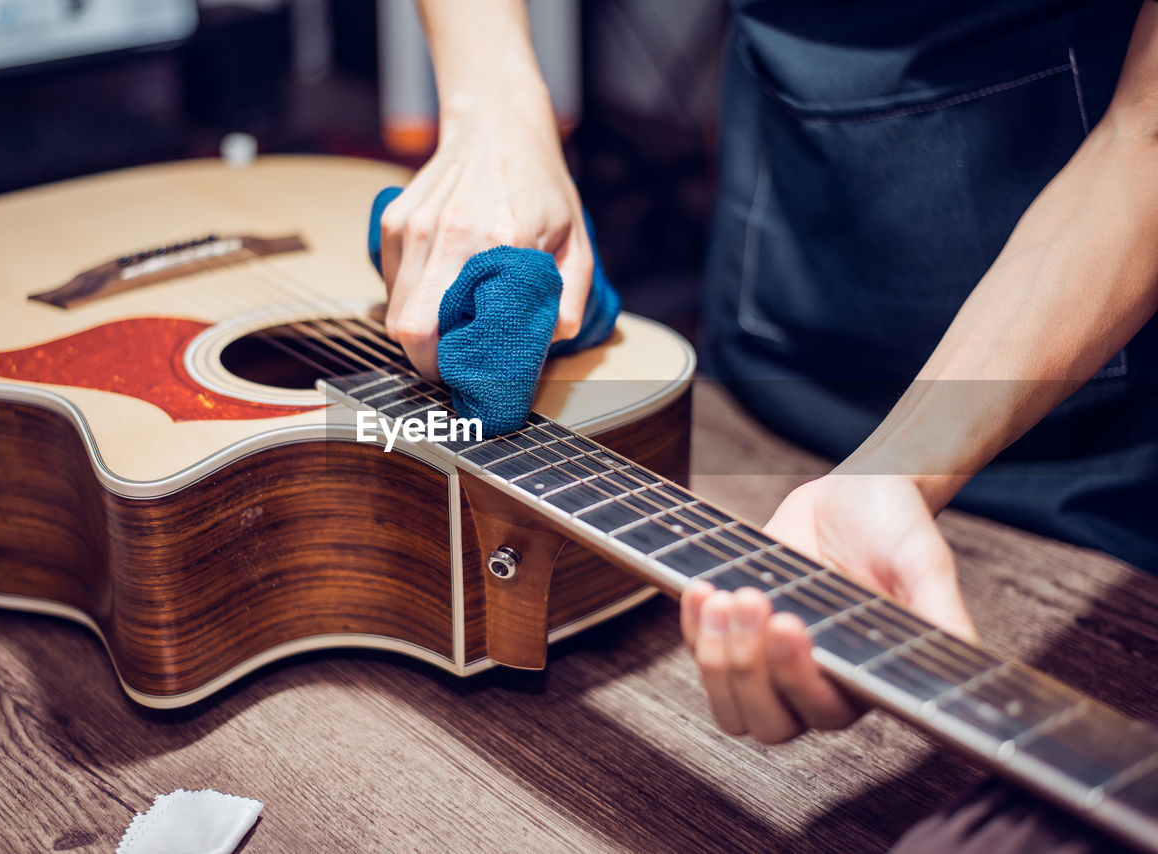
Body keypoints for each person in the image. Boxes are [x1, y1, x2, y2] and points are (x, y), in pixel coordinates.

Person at [376, 0, 1158, 849]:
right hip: (758, 368)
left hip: (1065, 431)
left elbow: (1147, 135)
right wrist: (498, 111)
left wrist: (897, 466)